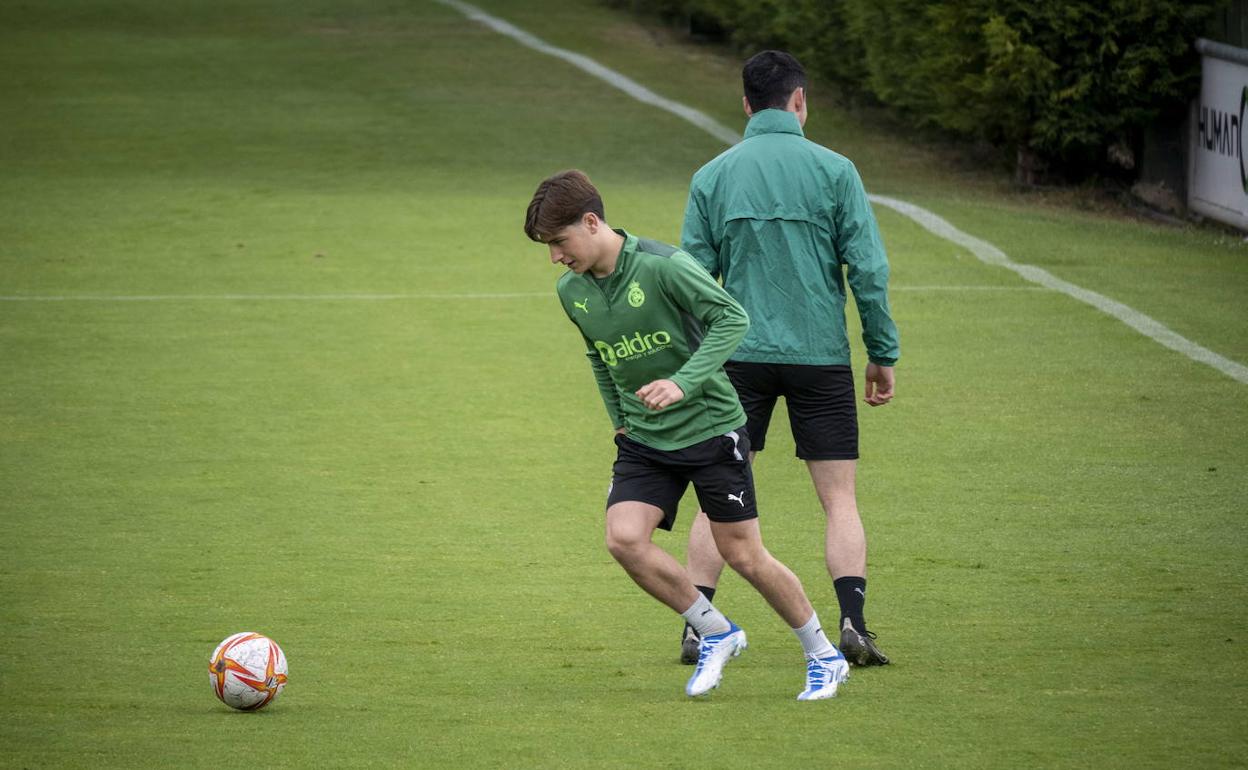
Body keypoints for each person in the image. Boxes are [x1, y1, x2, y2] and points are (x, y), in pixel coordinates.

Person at [525, 169, 850, 700]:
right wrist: (619, 416)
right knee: (624, 538)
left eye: (560, 242)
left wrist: (681, 382)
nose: (556, 257)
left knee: (744, 556)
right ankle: (717, 630)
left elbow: (732, 318)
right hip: (644, 437)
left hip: (710, 430)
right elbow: (598, 356)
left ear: (591, 222)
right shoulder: (572, 292)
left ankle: (823, 653)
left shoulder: (664, 266)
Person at [679, 51, 900, 668]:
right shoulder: (836, 171)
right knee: (840, 500)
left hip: (736, 358)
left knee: (716, 493)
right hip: (819, 357)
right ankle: (851, 623)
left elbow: (692, 281)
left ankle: (699, 626)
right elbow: (870, 271)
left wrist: (696, 369)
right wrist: (881, 353)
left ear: (746, 104)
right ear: (799, 101)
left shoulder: (713, 176)